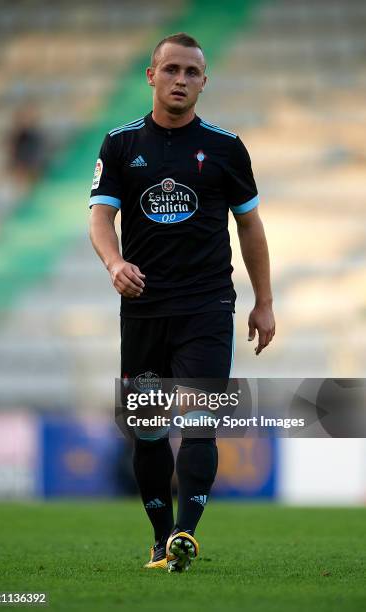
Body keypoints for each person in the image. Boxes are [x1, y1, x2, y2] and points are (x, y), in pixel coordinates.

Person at [89, 32, 275, 572]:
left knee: (199, 423)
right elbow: (100, 216)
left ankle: (183, 536)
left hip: (208, 306)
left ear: (204, 82)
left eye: (192, 72)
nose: (180, 80)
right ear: (151, 76)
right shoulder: (120, 144)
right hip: (144, 306)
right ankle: (157, 537)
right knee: (147, 430)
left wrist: (264, 301)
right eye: (171, 69)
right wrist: (115, 264)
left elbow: (250, 227)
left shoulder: (225, 147)